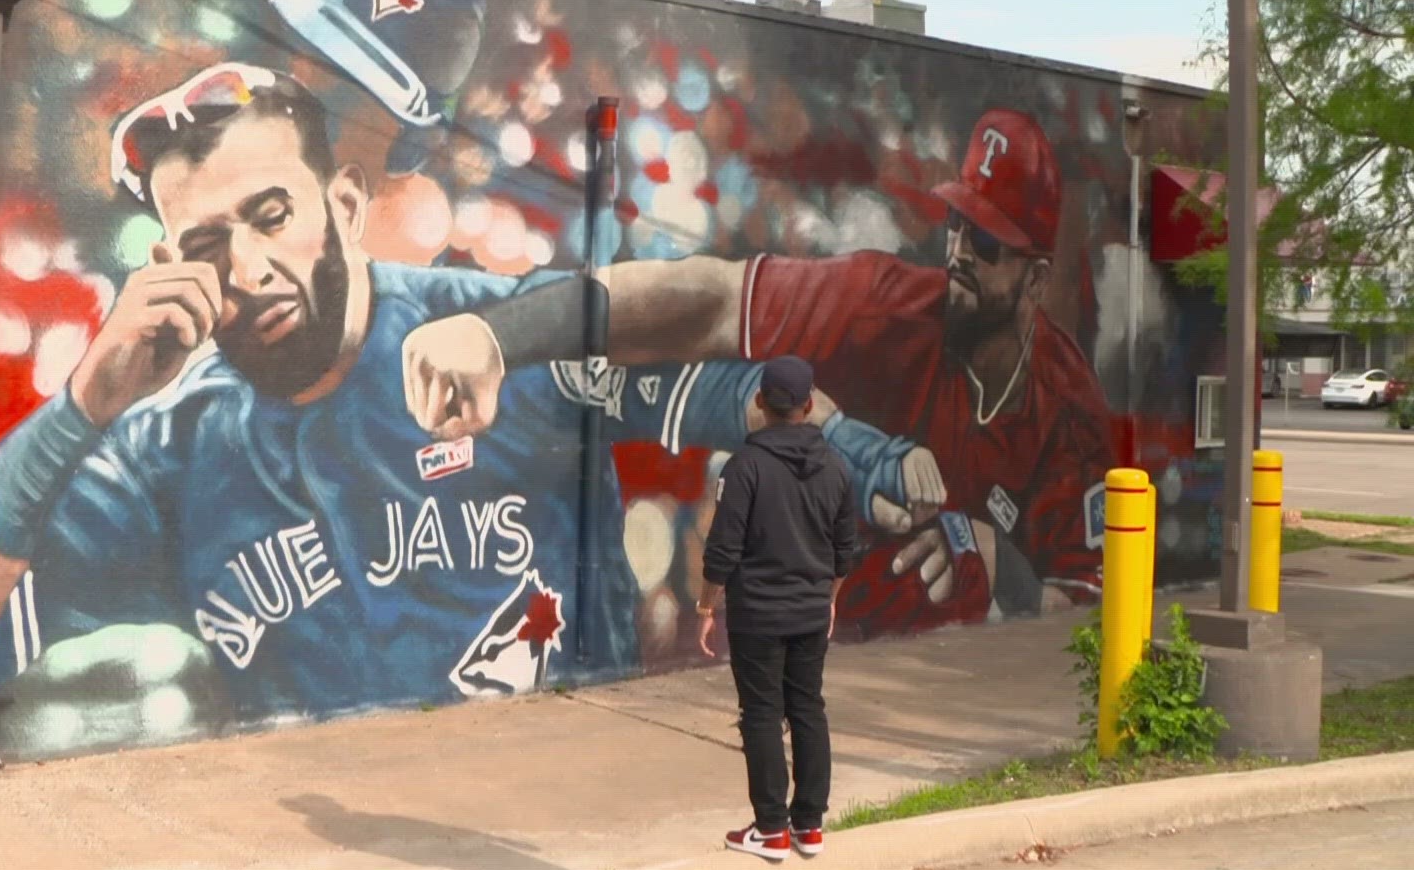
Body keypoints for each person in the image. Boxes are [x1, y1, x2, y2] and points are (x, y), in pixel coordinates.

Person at [0, 63, 771, 734]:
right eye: (207, 243)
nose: (247, 271)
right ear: (170, 265)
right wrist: (84, 406)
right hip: (343, 868)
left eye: (271, 216)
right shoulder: (167, 451)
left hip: (564, 810)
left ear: (344, 203)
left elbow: (755, 382)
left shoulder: (506, 334)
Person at [403, 108, 1115, 639]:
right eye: (958, 225)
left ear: (1036, 281)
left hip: (951, 701)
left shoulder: (1070, 409)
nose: (960, 249)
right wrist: (501, 333)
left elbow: (1094, 607)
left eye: (988, 243)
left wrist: (1003, 570)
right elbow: (711, 299)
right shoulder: (887, 304)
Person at [696, 356, 857, 861]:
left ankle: (771, 828)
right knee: (808, 708)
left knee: (762, 714)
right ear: (809, 406)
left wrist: (705, 607)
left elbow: (723, 549)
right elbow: (844, 552)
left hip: (759, 617)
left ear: (760, 403)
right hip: (810, 614)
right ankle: (809, 825)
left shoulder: (745, 468)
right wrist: (828, 602)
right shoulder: (836, 467)